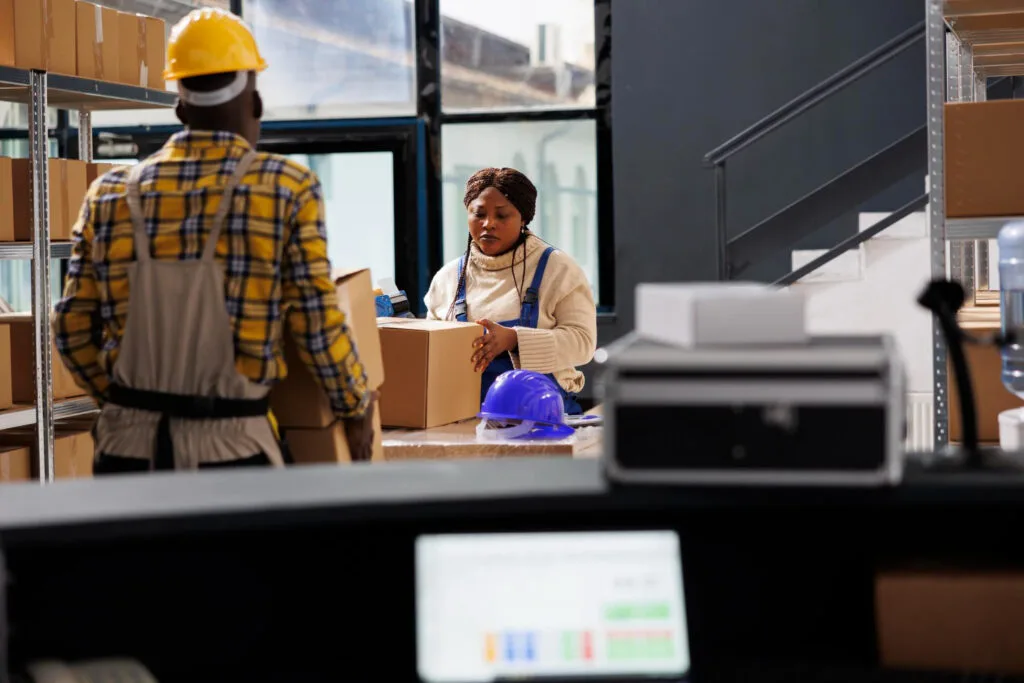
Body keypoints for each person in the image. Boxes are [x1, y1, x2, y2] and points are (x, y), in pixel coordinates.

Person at [52, 8, 376, 473]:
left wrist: (129, 402)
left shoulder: (109, 194)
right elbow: (316, 320)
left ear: (180, 108)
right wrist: (355, 403)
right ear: (257, 104)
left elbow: (71, 328)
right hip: (232, 451)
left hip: (126, 453)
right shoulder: (284, 187)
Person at [424, 167, 597, 414]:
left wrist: (515, 340)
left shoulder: (558, 269)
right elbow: (432, 357)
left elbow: (583, 343)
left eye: (502, 216)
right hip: (467, 422)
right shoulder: (448, 279)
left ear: (523, 218)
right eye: (478, 214)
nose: (488, 224)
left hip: (547, 422)